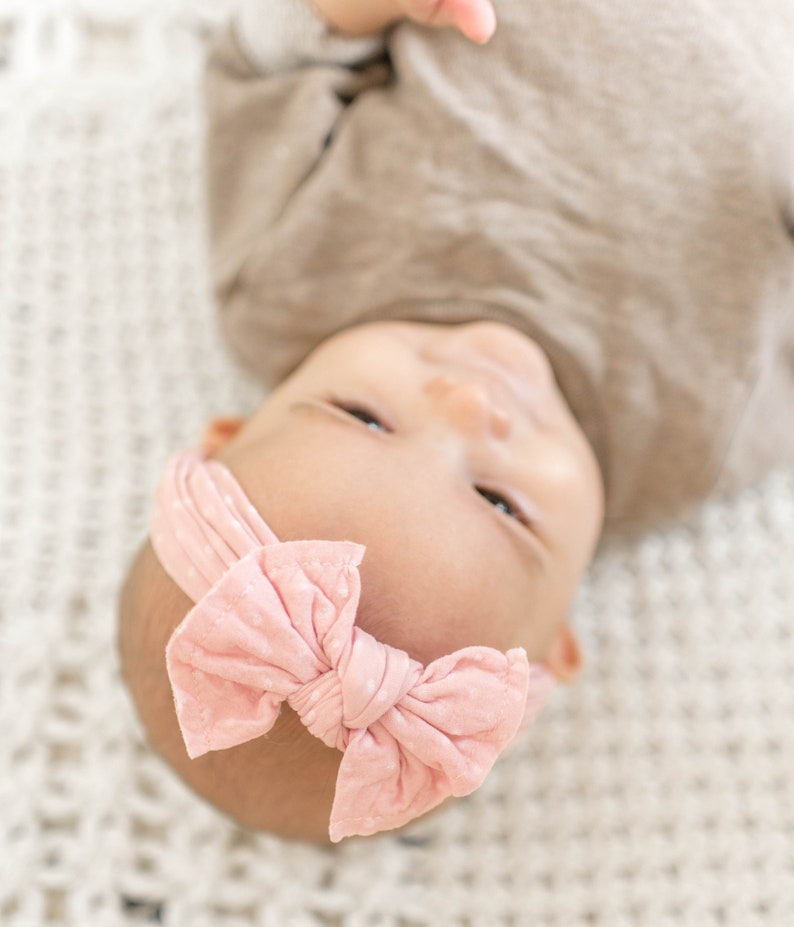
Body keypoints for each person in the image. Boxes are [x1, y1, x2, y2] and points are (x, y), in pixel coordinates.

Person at [119, 0, 794, 844]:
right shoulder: (692, 445)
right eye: (502, 502)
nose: (471, 404)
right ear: (555, 646)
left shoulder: (283, 284)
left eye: (363, 416)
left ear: (230, 434)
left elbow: (263, 67)